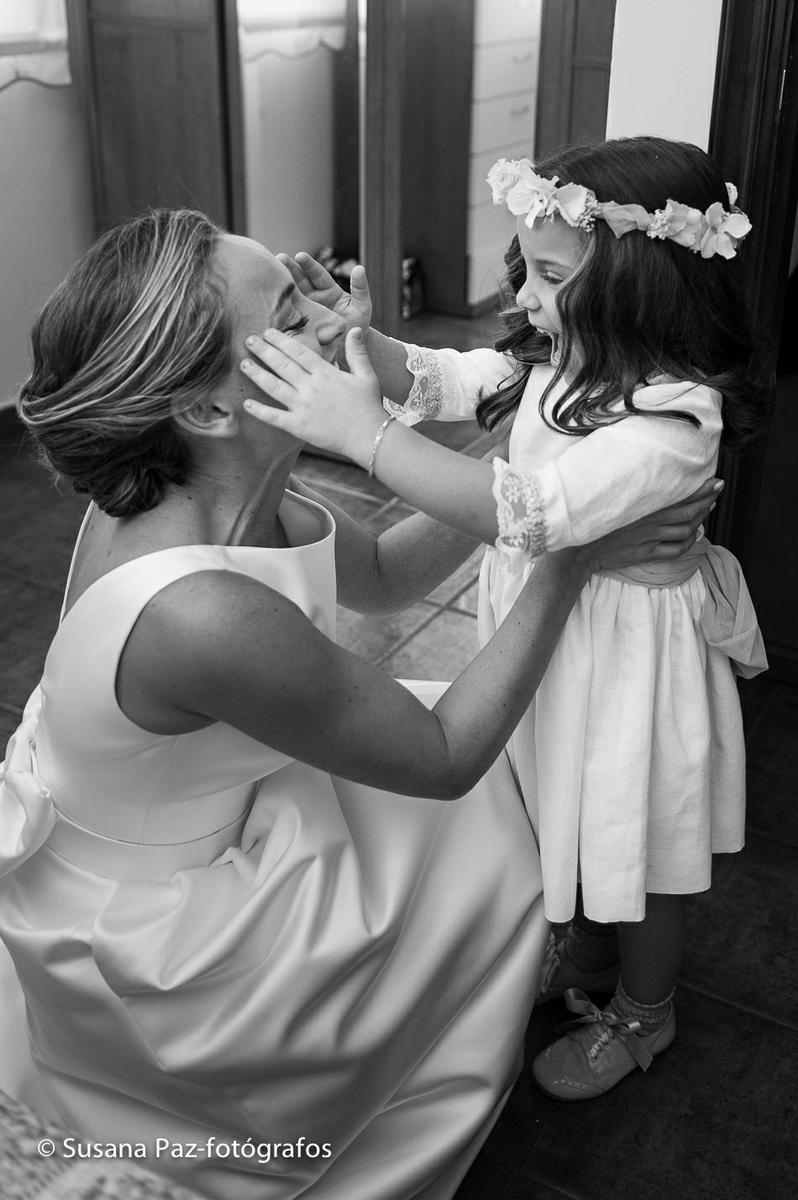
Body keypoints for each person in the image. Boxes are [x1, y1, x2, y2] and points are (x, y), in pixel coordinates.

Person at [0, 207, 715, 1199]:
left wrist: (542, 458)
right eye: (294, 318)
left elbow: (381, 572)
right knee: (478, 812)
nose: (331, 323)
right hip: (153, 914)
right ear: (209, 408)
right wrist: (572, 555)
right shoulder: (199, 610)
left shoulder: (223, 484)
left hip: (202, 795)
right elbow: (444, 756)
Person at [236, 135, 770, 1103]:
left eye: (550, 276)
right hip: (560, 648)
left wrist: (367, 437)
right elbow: (442, 378)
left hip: (627, 671)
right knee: (559, 810)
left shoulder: (671, 423)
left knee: (631, 841)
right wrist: (361, 343)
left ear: (641, 290)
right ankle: (588, 954)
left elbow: (518, 514)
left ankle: (646, 1010)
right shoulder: (558, 359)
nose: (523, 297)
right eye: (526, 268)